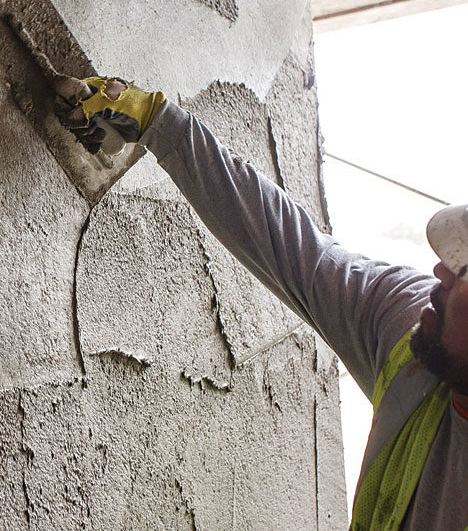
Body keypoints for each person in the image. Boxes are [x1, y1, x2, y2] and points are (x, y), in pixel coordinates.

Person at [55, 77, 467, 530]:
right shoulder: (411, 329)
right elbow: (294, 250)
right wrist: (160, 122)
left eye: (465, 273)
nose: (441, 274)